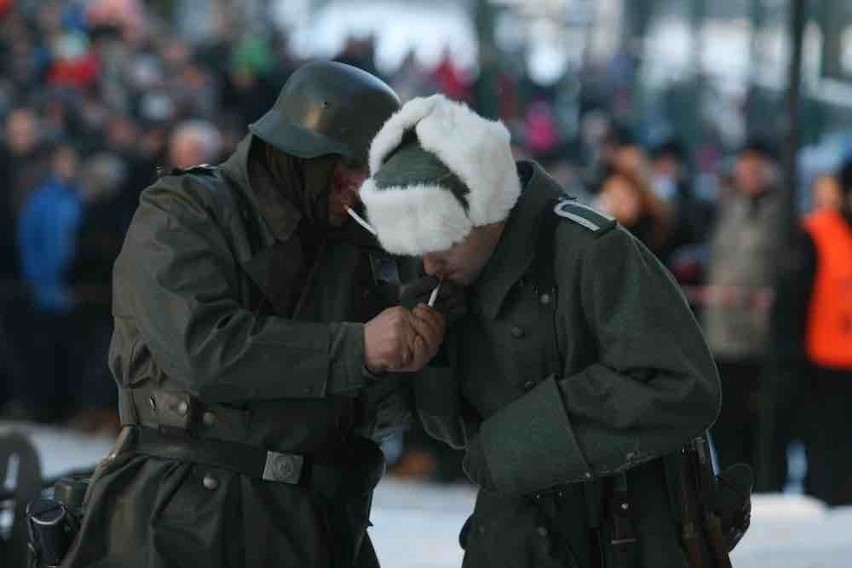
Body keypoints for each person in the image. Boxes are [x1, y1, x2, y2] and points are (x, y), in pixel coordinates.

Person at [62, 61, 445, 568]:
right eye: (349, 165)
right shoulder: (186, 211)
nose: (360, 186)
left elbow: (378, 411)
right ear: (301, 154)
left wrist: (414, 347)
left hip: (319, 524)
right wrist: (358, 348)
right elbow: (205, 350)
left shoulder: (361, 248)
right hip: (185, 519)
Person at [360, 95, 736, 567]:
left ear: (489, 211)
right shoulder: (449, 272)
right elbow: (460, 436)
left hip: (623, 535)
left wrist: (519, 440)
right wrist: (431, 359)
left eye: (442, 241)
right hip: (513, 539)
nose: (429, 262)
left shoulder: (592, 252)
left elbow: (682, 385)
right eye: (418, 247)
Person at [767, 160, 852, 505]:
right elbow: (789, 306)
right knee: (828, 475)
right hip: (824, 371)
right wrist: (789, 364)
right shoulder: (816, 233)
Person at [702, 140, 783, 473]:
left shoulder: (784, 214)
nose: (749, 173)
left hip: (762, 342)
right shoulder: (729, 209)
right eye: (744, 165)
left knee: (761, 436)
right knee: (727, 431)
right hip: (721, 337)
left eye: (758, 166)